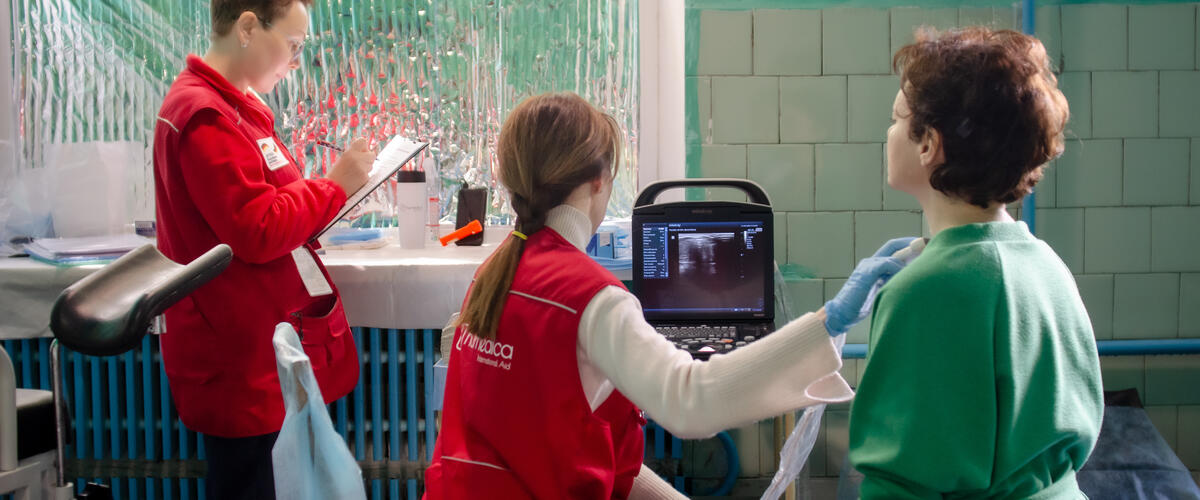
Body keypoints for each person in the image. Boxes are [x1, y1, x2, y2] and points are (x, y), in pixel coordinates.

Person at [424, 92, 917, 499]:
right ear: (600, 180)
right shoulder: (591, 297)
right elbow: (689, 402)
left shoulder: (495, 273)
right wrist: (827, 322)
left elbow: (580, 445)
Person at [847, 27, 1103, 499]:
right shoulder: (1048, 266)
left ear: (928, 145)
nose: (887, 133)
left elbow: (901, 481)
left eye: (895, 119)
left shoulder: (921, 291)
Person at [151, 1, 375, 498]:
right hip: (238, 359)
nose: (295, 62)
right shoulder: (204, 116)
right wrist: (333, 187)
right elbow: (258, 228)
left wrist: (329, 201)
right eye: (293, 45)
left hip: (257, 346)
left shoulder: (237, 110)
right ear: (248, 27)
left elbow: (270, 204)